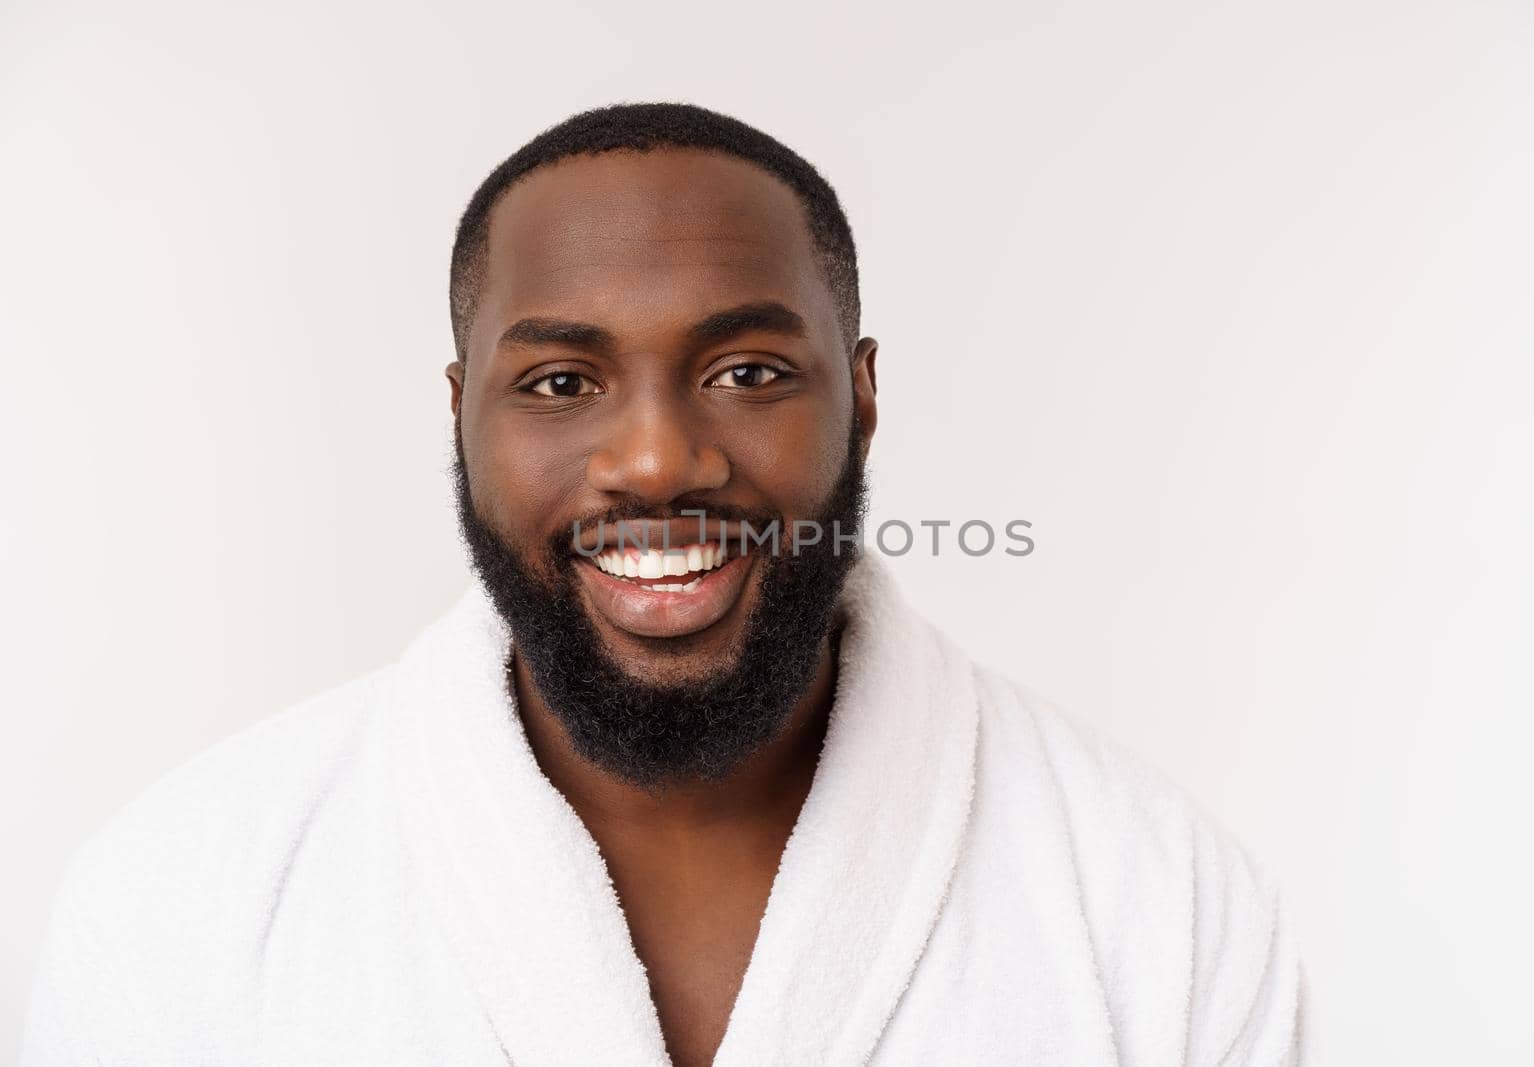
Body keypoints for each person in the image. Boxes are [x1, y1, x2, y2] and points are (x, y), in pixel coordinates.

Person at [23, 103, 1307, 1065]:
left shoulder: (1157, 902)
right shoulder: (180, 901)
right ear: (465, 415)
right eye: (562, 384)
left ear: (860, 397)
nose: (655, 461)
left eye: (748, 370)